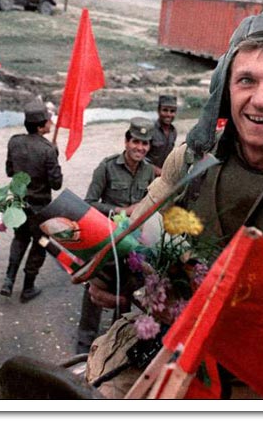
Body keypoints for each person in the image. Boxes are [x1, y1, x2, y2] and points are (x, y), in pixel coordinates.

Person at [85, 10, 263, 398]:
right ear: (226, 87)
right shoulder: (190, 159)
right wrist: (115, 275)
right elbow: (138, 236)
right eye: (246, 80)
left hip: (253, 376)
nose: (261, 100)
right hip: (165, 343)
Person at [77, 117, 156, 354]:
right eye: (136, 142)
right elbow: (89, 203)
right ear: (126, 141)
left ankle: (115, 341)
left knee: (126, 289)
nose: (140, 148)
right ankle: (84, 344)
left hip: (132, 244)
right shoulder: (107, 167)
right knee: (94, 287)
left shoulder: (149, 170)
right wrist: (121, 211)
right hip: (105, 238)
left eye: (145, 143)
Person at [0, 100, 63, 302]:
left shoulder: (14, 142)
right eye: (48, 120)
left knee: (20, 238)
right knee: (40, 244)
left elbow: (9, 170)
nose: (51, 123)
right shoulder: (48, 150)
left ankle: (9, 279)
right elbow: (56, 184)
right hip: (39, 209)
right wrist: (55, 155)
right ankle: (28, 287)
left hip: (19, 204)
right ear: (40, 126)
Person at [146, 94, 178, 176]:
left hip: (163, 176)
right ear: (158, 111)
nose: (168, 114)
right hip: (147, 175)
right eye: (165, 110)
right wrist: (156, 170)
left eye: (172, 111)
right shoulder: (150, 130)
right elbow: (140, 157)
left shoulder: (173, 132)